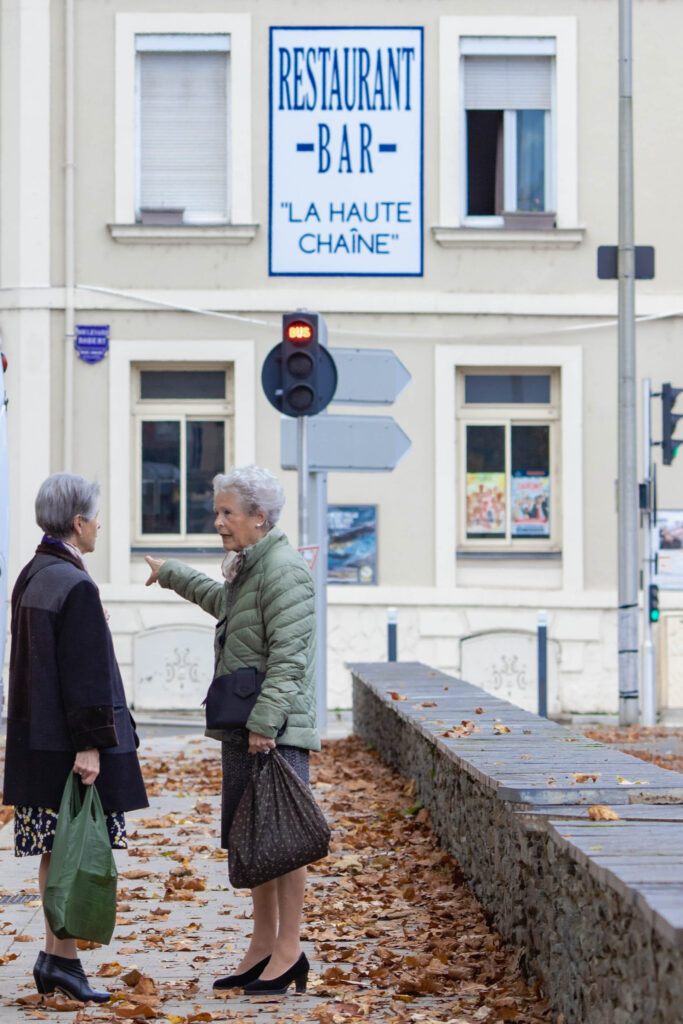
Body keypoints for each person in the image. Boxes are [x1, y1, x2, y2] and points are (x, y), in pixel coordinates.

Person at [145, 464, 318, 996]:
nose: (218, 522)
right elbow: (226, 606)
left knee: (285, 840)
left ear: (259, 517)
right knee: (253, 838)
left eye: (227, 513)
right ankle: (262, 945)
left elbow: (290, 657)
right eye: (216, 512)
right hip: (246, 727)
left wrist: (265, 724)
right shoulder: (251, 567)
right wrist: (172, 573)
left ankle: (289, 949)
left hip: (274, 731)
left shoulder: (284, 570)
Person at [2, 473, 148, 1002]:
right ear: (78, 521)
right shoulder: (74, 583)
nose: (100, 525)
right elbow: (83, 673)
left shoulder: (33, 573)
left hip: (38, 741)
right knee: (71, 849)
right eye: (96, 516)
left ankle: (54, 958)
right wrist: (90, 746)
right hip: (69, 746)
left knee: (55, 849)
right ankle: (62, 960)